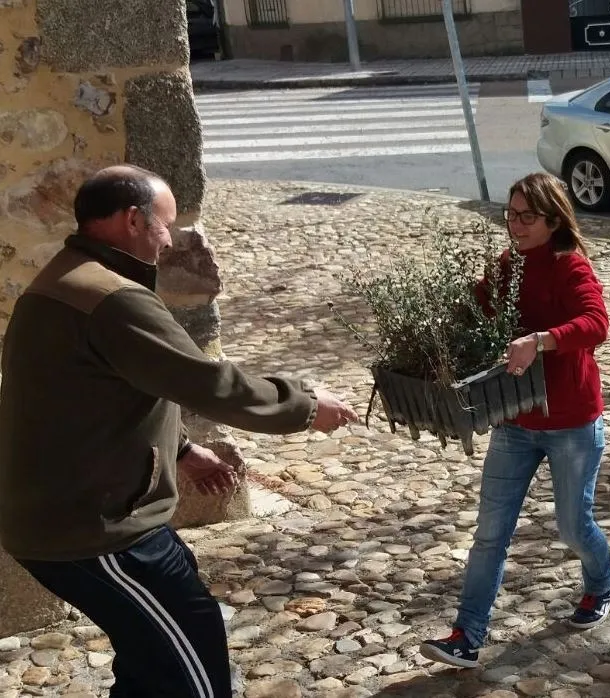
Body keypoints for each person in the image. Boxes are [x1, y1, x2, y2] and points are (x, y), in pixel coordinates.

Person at [0, 165, 359, 698]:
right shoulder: (111, 298)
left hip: (79, 516)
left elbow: (100, 396)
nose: (169, 240)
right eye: (164, 225)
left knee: (151, 660)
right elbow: (210, 384)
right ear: (132, 219)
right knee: (194, 671)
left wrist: (184, 447)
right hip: (95, 530)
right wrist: (305, 407)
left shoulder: (67, 279)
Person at [420, 172, 610, 669]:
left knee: (573, 529)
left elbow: (596, 324)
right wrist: (430, 327)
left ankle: (602, 583)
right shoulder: (510, 265)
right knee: (490, 533)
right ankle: (467, 635)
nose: (515, 224)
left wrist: (542, 339)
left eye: (526, 216)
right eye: (510, 214)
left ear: (552, 219)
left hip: (572, 423)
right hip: (514, 420)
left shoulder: (570, 266)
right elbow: (475, 308)